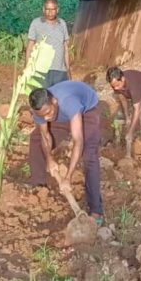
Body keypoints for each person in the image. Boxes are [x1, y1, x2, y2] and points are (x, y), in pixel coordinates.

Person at [27, 81, 104, 225]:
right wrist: (49, 159)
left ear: (54, 102)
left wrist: (67, 177)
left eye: (48, 112)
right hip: (62, 117)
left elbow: (78, 141)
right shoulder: (40, 110)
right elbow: (45, 136)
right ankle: (39, 186)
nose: (46, 118)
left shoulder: (69, 101)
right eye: (42, 116)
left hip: (86, 112)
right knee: (36, 138)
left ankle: (96, 211)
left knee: (89, 157)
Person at [106, 67, 141, 159]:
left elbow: (136, 109)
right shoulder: (115, 83)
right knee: (119, 118)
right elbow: (122, 98)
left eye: (117, 85)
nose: (115, 88)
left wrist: (130, 132)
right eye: (113, 86)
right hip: (131, 94)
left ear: (122, 79)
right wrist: (127, 117)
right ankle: (118, 146)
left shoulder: (133, 85)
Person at [26, 0, 71, 87]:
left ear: (57, 10)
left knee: (59, 98)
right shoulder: (36, 23)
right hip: (41, 70)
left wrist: (68, 69)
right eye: (47, 9)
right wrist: (28, 68)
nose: (50, 12)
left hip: (60, 70)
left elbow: (65, 48)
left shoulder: (62, 24)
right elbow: (30, 47)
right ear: (43, 9)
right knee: (43, 99)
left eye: (53, 9)